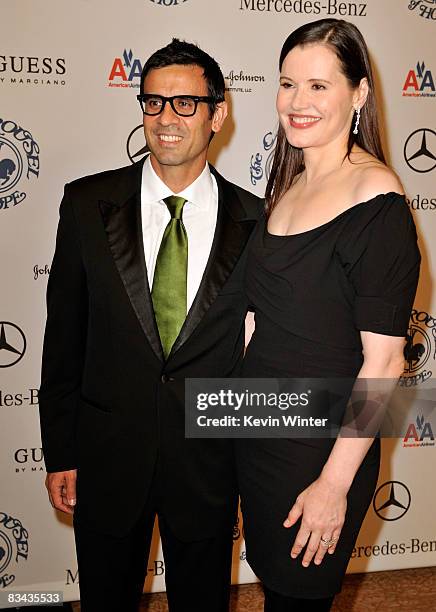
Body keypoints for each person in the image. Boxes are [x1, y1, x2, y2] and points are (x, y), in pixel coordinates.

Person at [39, 38, 262, 612]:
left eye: (186, 103)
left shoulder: (259, 220)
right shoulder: (88, 204)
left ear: (219, 113)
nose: (166, 118)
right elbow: (64, 335)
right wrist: (61, 451)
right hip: (108, 457)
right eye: (154, 102)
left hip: (209, 466)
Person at [235, 18, 420, 611]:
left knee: (298, 597)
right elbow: (261, 321)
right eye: (288, 84)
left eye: (319, 86)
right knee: (275, 586)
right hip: (260, 431)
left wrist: (335, 485)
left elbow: (385, 362)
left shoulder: (378, 201)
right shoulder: (286, 187)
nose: (297, 102)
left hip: (319, 448)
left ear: (359, 93)